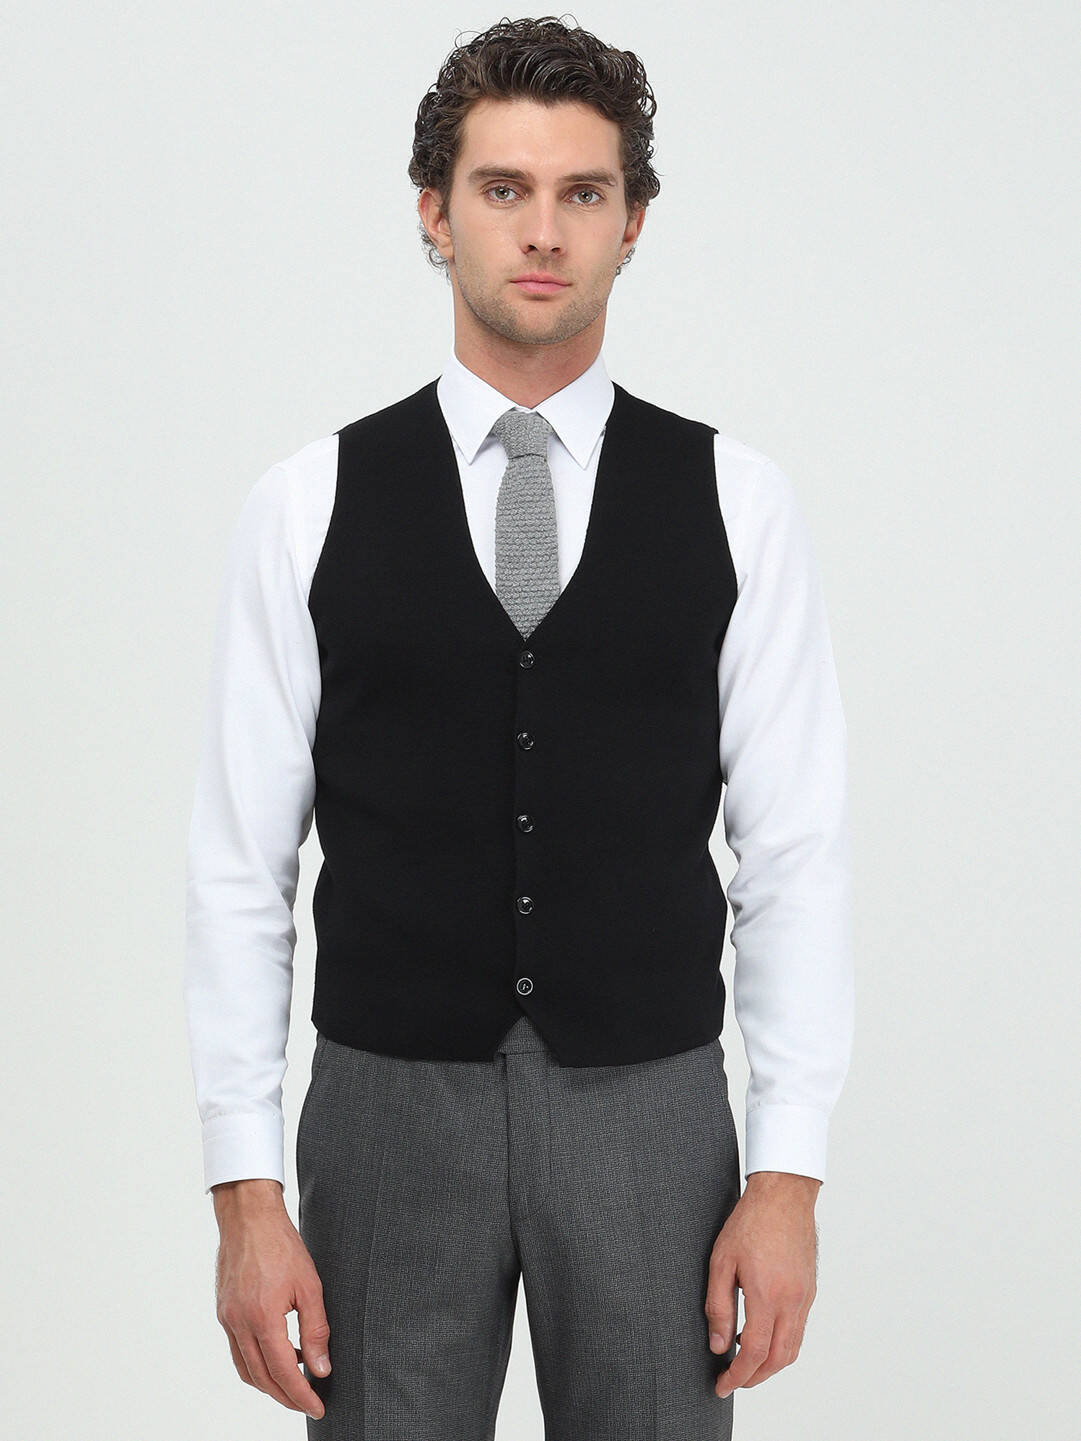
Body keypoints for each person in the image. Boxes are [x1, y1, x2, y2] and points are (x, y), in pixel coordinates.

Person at [183, 15, 854, 1439]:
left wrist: (785, 1177)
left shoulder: (737, 501)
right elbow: (241, 867)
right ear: (434, 213)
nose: (542, 231)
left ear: (632, 223)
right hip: (385, 1109)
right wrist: (245, 1190)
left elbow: (793, 852)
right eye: (502, 189)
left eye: (581, 192)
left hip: (651, 1106)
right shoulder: (307, 503)